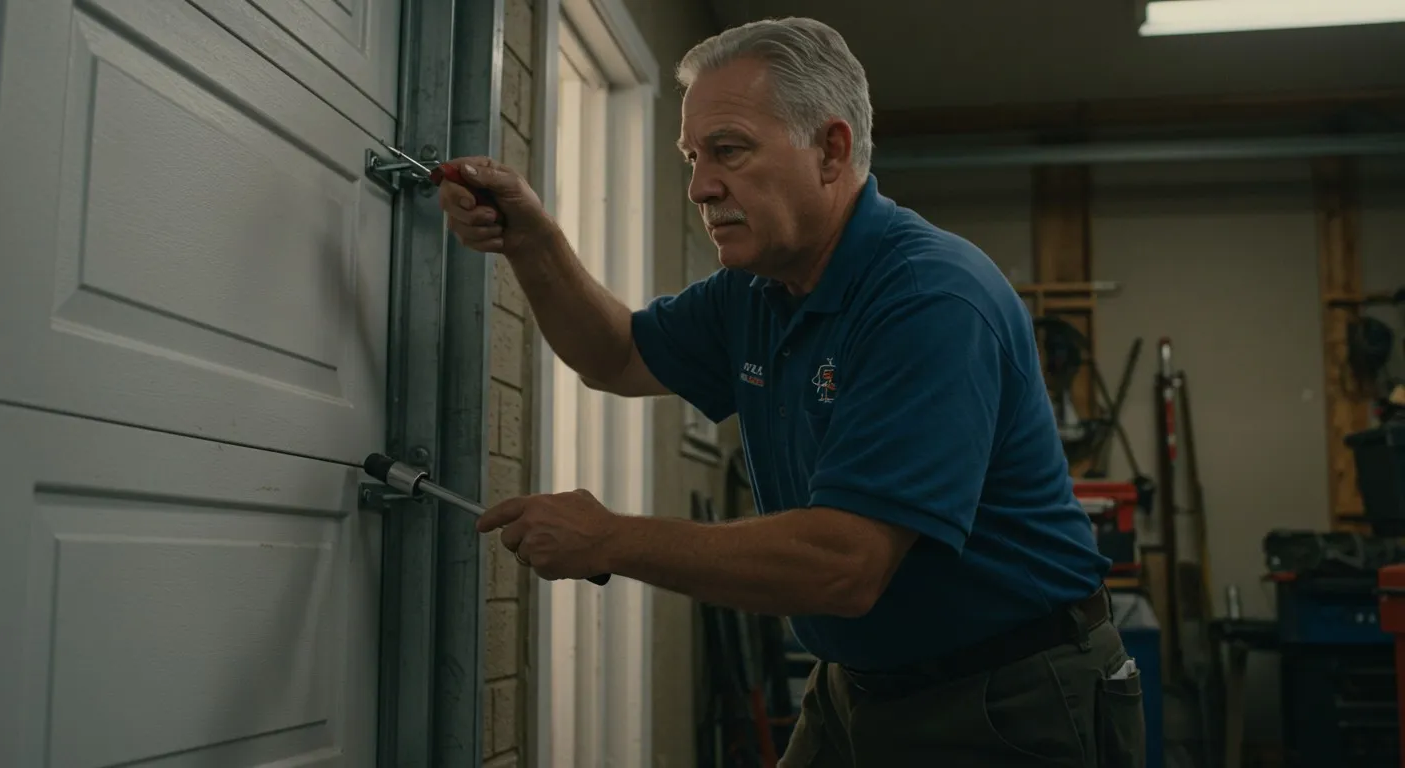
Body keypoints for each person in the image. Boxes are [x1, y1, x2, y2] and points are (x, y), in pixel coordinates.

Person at [439, 16, 1145, 768]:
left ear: (831, 151)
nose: (700, 186)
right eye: (692, 156)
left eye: (730, 151)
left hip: (1008, 693)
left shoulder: (929, 297)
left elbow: (843, 563)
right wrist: (532, 240)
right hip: (858, 683)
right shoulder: (753, 291)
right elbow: (614, 355)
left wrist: (609, 539)